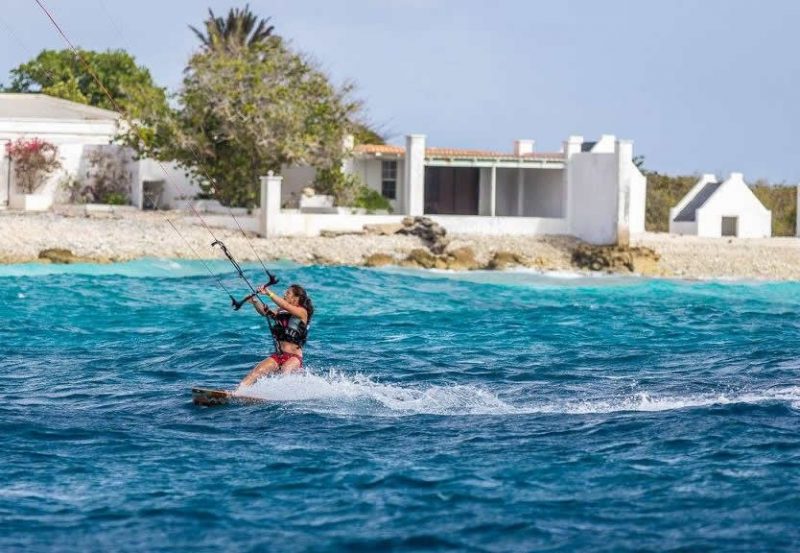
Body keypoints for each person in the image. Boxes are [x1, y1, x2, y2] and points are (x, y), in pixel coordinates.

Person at [238, 284, 313, 387]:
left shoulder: (302, 312)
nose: (284, 294)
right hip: (279, 355)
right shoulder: (280, 311)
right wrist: (255, 301)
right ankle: (237, 392)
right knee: (257, 371)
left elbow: (286, 306)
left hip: (294, 357)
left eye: (288, 293)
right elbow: (265, 313)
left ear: (296, 298)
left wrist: (269, 293)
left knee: (285, 371)